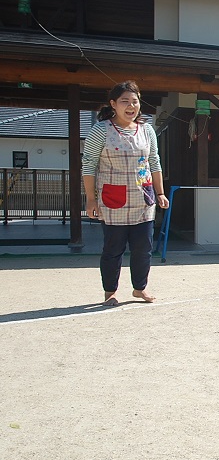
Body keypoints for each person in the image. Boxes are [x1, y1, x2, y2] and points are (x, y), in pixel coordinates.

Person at [82, 81, 169, 306]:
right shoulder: (100, 130)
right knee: (113, 250)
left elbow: (154, 162)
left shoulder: (147, 130)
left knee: (143, 248)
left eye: (135, 101)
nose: (131, 106)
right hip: (113, 200)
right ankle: (109, 292)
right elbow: (89, 165)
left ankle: (140, 288)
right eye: (125, 101)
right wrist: (91, 199)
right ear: (113, 104)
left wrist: (160, 193)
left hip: (143, 198)